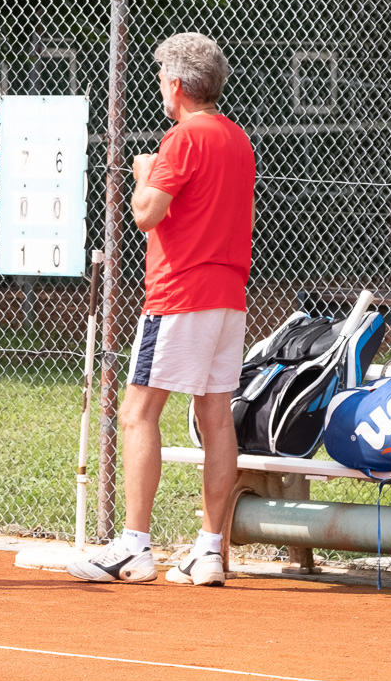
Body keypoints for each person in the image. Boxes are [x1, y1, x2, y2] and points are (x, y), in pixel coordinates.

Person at [68, 32, 255, 587]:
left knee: (137, 412)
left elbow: (146, 214)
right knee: (215, 416)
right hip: (229, 298)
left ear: (176, 85)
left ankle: (134, 546)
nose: (158, 87)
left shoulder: (183, 138)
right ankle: (209, 550)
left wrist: (142, 172)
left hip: (180, 295)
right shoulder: (239, 139)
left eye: (160, 80)